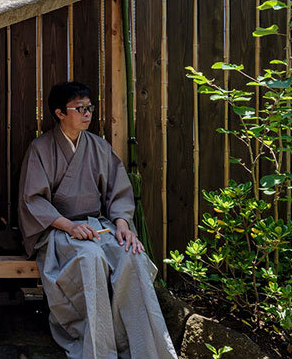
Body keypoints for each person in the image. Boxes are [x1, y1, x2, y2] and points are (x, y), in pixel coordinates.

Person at [18, 81, 177, 359]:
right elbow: (34, 201)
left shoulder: (99, 147)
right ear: (59, 113)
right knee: (89, 259)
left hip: (99, 226)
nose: (87, 113)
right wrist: (68, 226)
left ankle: (144, 348)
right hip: (59, 230)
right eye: (79, 108)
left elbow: (118, 192)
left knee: (133, 257)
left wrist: (123, 226)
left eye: (89, 107)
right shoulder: (40, 149)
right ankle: (98, 348)